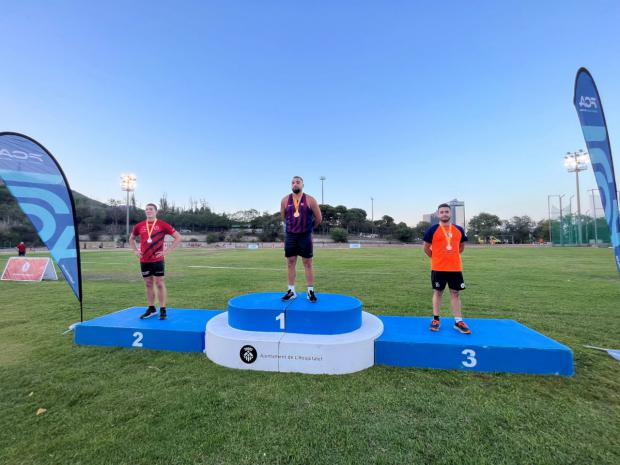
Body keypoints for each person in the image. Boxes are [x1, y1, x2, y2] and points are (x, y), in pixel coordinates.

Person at [423, 203, 471, 334]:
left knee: (455, 293)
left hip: (455, 268)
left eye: (447, 212)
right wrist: (436, 258)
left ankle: (458, 321)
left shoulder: (459, 229)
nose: (444, 214)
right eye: (442, 212)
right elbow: (426, 248)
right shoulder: (432, 230)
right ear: (438, 214)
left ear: (450, 214)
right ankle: (436, 319)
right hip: (438, 267)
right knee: (438, 292)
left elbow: (461, 247)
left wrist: (452, 256)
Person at [129, 203, 182, 320]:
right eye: (146, 209)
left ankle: (163, 310)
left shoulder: (162, 224)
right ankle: (151, 308)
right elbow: (131, 238)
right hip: (144, 259)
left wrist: (166, 251)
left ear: (156, 211)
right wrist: (135, 250)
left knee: (159, 283)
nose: (148, 211)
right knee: (148, 284)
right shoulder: (139, 226)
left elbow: (178, 237)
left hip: (157, 259)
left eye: (151, 209)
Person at [280, 176, 322, 302]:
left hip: (305, 235)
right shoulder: (285, 200)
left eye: (298, 182)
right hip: (291, 235)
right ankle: (291, 291)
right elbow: (283, 217)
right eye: (293, 182)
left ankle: (310, 291)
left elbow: (319, 218)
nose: (295, 184)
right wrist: (292, 227)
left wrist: (308, 228)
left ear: (303, 185)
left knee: (307, 263)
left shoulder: (310, 199)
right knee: (290, 262)